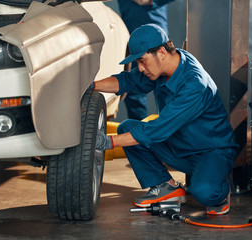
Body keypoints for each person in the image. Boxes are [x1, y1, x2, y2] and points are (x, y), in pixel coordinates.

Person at [91, 24, 239, 215]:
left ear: (161, 52)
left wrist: (107, 142)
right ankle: (167, 187)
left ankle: (219, 189)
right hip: (180, 146)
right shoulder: (165, 66)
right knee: (127, 127)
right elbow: (127, 80)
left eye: (142, 61)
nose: (140, 68)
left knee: (204, 193)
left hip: (211, 151)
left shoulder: (194, 85)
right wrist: (91, 86)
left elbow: (156, 131)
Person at [117, 0, 175, 120]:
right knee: (133, 89)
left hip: (155, 32)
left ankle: (170, 131)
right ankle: (137, 134)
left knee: (164, 85)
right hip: (130, 32)